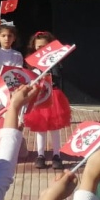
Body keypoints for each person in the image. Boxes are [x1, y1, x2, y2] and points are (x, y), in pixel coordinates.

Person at [23, 31, 71, 170]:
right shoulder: (31, 61)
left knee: (55, 127)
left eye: (44, 46)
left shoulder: (55, 61)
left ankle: (56, 154)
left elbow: (56, 76)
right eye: (38, 47)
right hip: (39, 95)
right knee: (41, 127)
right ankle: (40, 155)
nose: (41, 49)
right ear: (34, 47)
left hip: (53, 95)